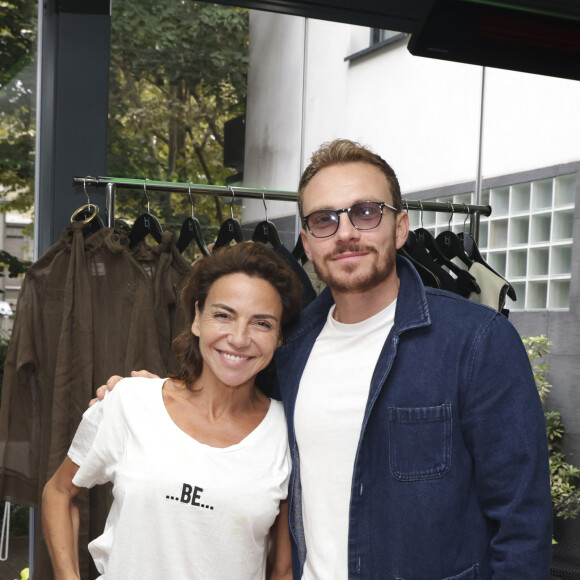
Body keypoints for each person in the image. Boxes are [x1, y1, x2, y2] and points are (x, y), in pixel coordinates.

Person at [97, 139, 553, 579]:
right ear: (308, 243)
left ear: (399, 226)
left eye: (366, 212)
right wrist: (153, 398)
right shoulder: (287, 348)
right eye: (324, 220)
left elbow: (522, 525)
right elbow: (232, 423)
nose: (346, 232)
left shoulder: (477, 341)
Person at [42, 241, 303, 580]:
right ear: (197, 318)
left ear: (280, 337)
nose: (239, 338)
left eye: (262, 323)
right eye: (223, 315)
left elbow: (281, 570)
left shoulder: (287, 433)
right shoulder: (130, 403)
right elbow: (59, 491)